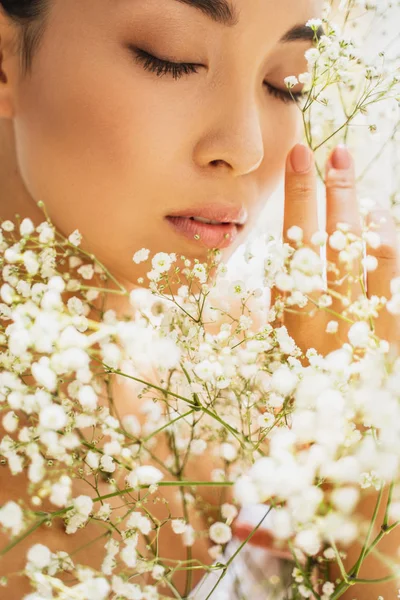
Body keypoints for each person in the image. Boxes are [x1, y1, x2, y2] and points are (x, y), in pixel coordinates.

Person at [0, 0, 399, 598]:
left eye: (285, 82)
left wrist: (362, 482)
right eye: (172, 59)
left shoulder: (294, 363)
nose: (246, 149)